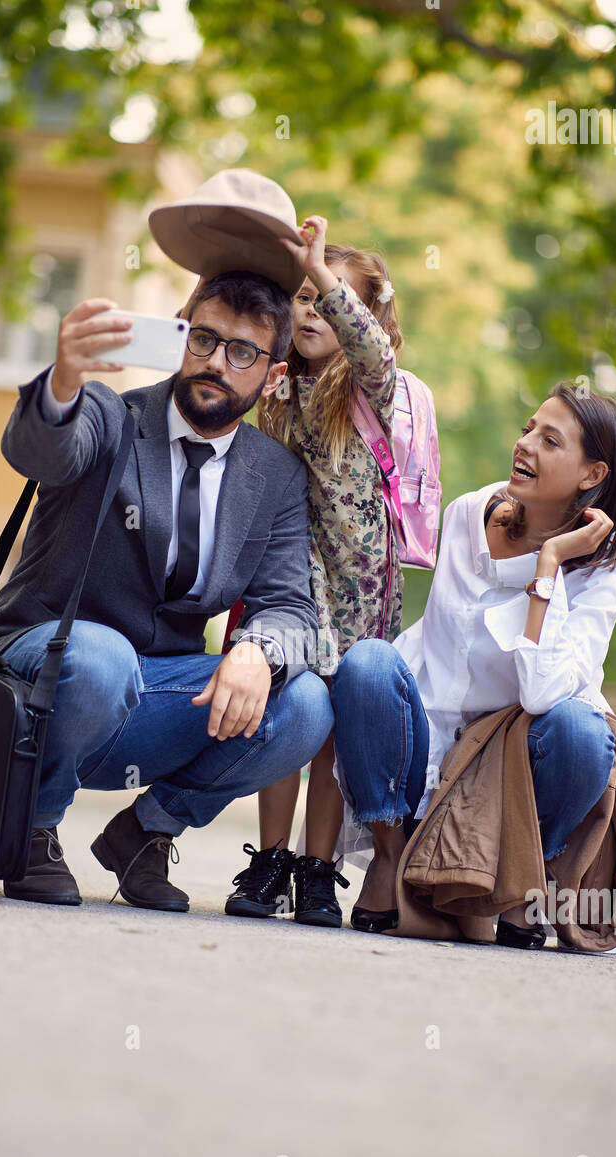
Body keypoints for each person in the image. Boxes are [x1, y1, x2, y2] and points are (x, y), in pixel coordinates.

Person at [0, 271, 332, 910]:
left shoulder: (275, 477)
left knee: (305, 704)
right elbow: (38, 452)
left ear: (273, 376)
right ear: (179, 338)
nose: (216, 363)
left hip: (153, 699)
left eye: (242, 352)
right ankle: (31, 826)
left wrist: (258, 651)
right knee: (104, 659)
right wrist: (62, 381)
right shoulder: (113, 415)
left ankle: (143, 834)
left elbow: (291, 606)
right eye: (203, 339)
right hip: (45, 674)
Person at [330, 382, 616, 947]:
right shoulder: (467, 514)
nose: (525, 445)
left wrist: (549, 566)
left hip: (506, 773)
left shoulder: (604, 576)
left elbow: (544, 693)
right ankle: (389, 857)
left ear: (591, 475)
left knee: (580, 732)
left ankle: (526, 881)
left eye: (550, 441)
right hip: (420, 742)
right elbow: (444, 661)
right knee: (367, 664)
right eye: (529, 429)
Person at [223, 215, 406, 929]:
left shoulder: (373, 389)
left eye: (325, 296)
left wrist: (321, 272)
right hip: (292, 589)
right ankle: (270, 859)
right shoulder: (278, 388)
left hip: (360, 598)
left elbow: (367, 345)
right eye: (299, 295)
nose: (309, 308)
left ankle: (317, 870)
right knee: (290, 720)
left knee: (333, 736)